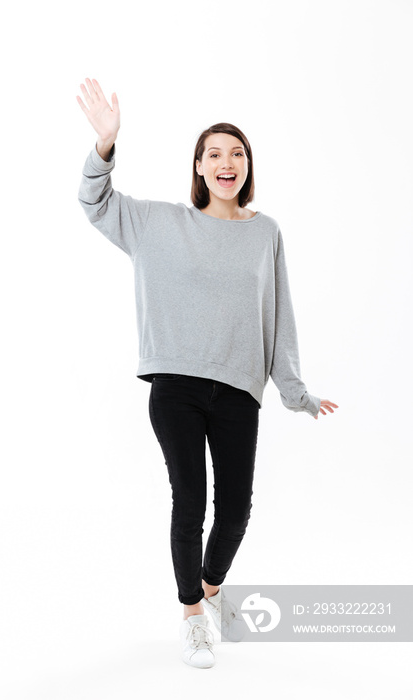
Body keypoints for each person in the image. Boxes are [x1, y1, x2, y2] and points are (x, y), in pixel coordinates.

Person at [76, 78, 338, 669]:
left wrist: (295, 391)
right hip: (175, 386)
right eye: (215, 153)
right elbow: (94, 203)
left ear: (247, 167)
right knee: (189, 500)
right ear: (198, 165)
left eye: (237, 153)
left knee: (237, 508)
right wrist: (106, 143)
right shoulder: (158, 223)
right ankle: (192, 614)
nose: (227, 162)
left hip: (239, 392)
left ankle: (212, 590)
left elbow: (280, 316)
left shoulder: (265, 233)